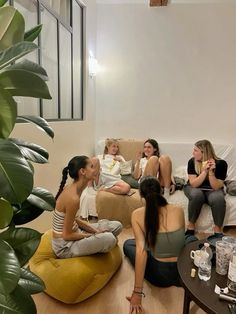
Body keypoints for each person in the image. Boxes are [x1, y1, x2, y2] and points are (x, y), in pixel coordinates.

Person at [123, 176, 185, 314]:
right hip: (181, 273)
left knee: (128, 244)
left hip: (159, 276)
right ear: (161, 191)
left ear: (141, 196)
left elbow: (141, 252)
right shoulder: (179, 209)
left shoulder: (137, 215)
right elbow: (179, 241)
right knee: (190, 238)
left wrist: (137, 293)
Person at [52, 155, 123, 258]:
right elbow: (66, 235)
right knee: (110, 239)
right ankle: (100, 243)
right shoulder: (73, 198)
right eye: (92, 166)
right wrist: (92, 235)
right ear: (83, 172)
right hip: (65, 246)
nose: (96, 169)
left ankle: (98, 242)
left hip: (75, 232)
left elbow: (74, 220)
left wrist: (95, 231)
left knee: (117, 225)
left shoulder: (75, 189)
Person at [184, 140, 228, 238]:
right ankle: (191, 227)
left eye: (195, 150)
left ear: (204, 152)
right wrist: (204, 171)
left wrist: (211, 171)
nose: (193, 153)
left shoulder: (221, 164)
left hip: (212, 189)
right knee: (197, 195)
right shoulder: (192, 162)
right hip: (194, 187)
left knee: (218, 198)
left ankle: (217, 230)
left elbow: (216, 187)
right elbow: (194, 184)